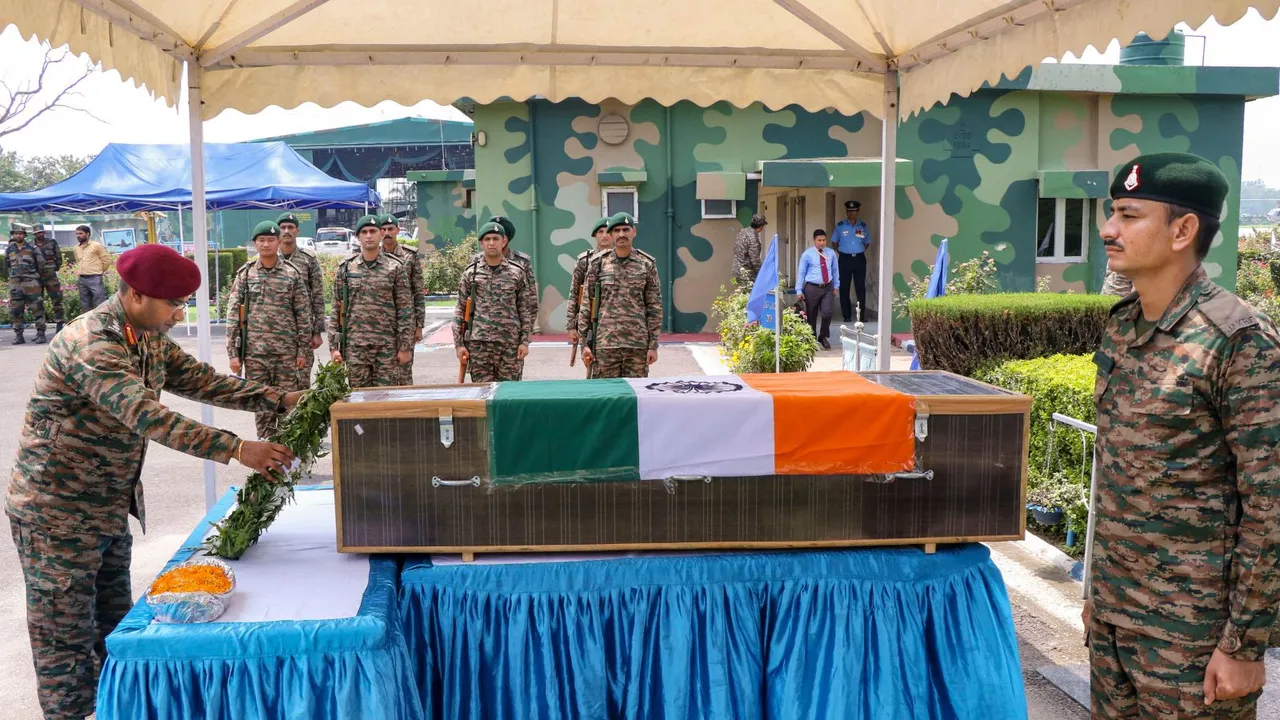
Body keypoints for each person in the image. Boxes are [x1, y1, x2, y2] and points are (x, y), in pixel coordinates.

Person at [5, 243, 303, 720]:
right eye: (173, 304)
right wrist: (237, 448)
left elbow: (206, 382)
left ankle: (111, 709)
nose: (178, 313)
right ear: (138, 295)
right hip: (56, 512)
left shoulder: (143, 334)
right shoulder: (93, 342)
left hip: (104, 506)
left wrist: (280, 398)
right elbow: (146, 415)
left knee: (114, 629)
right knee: (64, 642)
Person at [1085, 152, 1280, 718]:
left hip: (1191, 639)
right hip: (1115, 621)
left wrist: (1244, 644)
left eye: (1128, 214)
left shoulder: (1239, 339)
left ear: (1183, 230)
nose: (1108, 229)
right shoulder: (1123, 325)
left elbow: (1269, 503)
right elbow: (1117, 474)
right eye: (1111, 213)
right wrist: (1100, 602)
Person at [226, 221, 313, 439]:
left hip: (285, 353)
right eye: (261, 240)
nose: (266, 244)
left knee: (287, 404)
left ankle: (287, 453)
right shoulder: (245, 275)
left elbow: (302, 314)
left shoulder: (292, 274)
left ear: (278, 242)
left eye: (270, 240)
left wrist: (302, 350)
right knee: (261, 405)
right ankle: (265, 451)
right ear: (255, 244)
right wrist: (233, 353)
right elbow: (233, 314)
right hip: (255, 354)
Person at [328, 214, 414, 388]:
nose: (369, 235)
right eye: (364, 232)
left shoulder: (395, 267)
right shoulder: (346, 268)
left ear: (381, 234)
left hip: (386, 347)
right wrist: (334, 346)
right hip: (355, 347)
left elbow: (405, 310)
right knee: (359, 401)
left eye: (373, 231)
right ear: (358, 237)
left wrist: (405, 347)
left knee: (387, 399)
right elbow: (336, 309)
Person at [577, 212, 662, 378]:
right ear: (611, 234)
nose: (621, 234)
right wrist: (584, 344)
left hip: (637, 345)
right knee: (605, 396)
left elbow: (654, 307)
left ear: (634, 232)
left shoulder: (647, 264)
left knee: (634, 395)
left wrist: (653, 345)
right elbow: (586, 304)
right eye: (616, 230)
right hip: (605, 344)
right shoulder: (598, 263)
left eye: (626, 229)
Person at [454, 221, 537, 382]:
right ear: (481, 243)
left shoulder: (516, 272)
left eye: (496, 239)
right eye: (487, 239)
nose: (491, 243)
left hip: (509, 344)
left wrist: (524, 342)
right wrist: (459, 344)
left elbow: (525, 310)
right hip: (479, 344)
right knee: (481, 394)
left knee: (509, 394)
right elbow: (460, 309)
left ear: (503, 241)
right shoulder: (471, 273)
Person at [276, 213, 326, 387]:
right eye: (283, 228)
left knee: (301, 380)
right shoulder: (270, 258)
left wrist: (317, 331)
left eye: (290, 227)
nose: (286, 231)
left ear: (297, 230)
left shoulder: (308, 259)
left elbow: (318, 295)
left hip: (303, 330)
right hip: (277, 330)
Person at [379, 213, 424, 385]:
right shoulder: (374, 255)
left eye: (391, 229)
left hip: (406, 322)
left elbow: (418, 292)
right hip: (382, 323)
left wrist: (419, 325)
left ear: (398, 230)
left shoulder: (409, 256)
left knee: (404, 370)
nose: (387, 233)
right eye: (383, 229)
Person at [566, 218, 613, 358]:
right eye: (600, 232)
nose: (604, 235)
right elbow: (574, 293)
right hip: (588, 319)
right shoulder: (584, 261)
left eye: (608, 232)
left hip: (611, 319)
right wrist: (570, 325)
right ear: (595, 235)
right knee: (589, 359)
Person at [6, 222, 51, 345]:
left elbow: (41, 264)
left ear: (24, 235)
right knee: (16, 310)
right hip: (16, 283)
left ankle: (41, 334)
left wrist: (36, 278)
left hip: (31, 282)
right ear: (13, 235)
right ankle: (19, 336)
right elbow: (8, 265)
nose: (18, 235)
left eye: (20, 233)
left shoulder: (32, 248)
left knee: (37, 309)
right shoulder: (10, 249)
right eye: (16, 233)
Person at [796, 228, 839, 349]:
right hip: (812, 288)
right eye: (819, 240)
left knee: (827, 313)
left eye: (824, 240)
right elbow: (801, 273)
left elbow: (835, 270)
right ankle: (812, 337)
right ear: (814, 240)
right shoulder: (807, 254)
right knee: (811, 314)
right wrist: (799, 290)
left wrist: (836, 285)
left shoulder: (831, 253)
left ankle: (823, 336)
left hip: (827, 287)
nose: (822, 242)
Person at [833, 200, 872, 322]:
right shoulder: (840, 226)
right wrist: (842, 252)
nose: (851, 213)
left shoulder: (863, 226)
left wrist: (859, 251)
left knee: (860, 287)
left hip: (859, 259)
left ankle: (862, 315)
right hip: (845, 258)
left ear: (857, 211)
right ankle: (847, 315)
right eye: (849, 211)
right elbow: (834, 241)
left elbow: (867, 242)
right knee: (844, 287)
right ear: (846, 212)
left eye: (854, 211)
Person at [30, 223, 65, 333]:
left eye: (41, 232)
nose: (39, 234)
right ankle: (40, 330)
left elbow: (58, 257)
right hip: (36, 277)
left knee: (56, 300)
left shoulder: (51, 242)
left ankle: (59, 324)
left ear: (44, 232)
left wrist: (54, 268)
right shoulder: (30, 245)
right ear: (34, 234)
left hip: (51, 276)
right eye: (37, 233)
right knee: (37, 303)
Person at [72, 225, 111, 312]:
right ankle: (88, 322)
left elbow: (106, 260)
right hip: (82, 278)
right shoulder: (76, 248)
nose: (78, 235)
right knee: (84, 302)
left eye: (80, 233)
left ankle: (101, 321)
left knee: (99, 300)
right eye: (77, 234)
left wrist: (99, 271)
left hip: (95, 277)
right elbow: (78, 261)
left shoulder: (96, 246)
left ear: (88, 234)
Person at [731, 214, 766, 287]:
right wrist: (762, 274)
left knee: (741, 295)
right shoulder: (753, 238)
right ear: (761, 227)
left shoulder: (742, 231)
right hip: (747, 274)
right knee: (748, 296)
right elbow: (755, 260)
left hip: (737, 270)